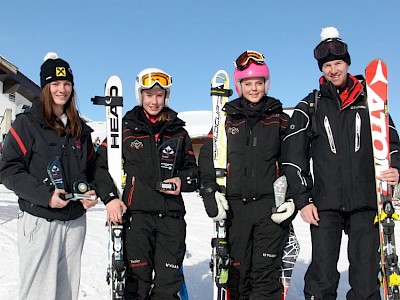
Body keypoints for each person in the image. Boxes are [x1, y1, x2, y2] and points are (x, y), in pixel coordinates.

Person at [283, 27, 400, 299]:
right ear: (321, 69)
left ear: (347, 63)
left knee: (366, 277)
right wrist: (304, 199)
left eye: (338, 63)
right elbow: (293, 155)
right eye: (327, 65)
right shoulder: (310, 105)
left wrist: (395, 167)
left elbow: (392, 143)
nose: (333, 70)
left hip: (366, 203)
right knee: (322, 276)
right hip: (325, 205)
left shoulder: (371, 100)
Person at [94, 68, 199, 300]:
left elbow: (194, 171)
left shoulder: (179, 132)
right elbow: (98, 168)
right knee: (136, 285)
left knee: (167, 285)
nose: (154, 100)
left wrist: (182, 181)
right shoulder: (124, 129)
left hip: (171, 219)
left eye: (159, 95)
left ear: (166, 97)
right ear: (140, 95)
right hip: (136, 218)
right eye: (149, 94)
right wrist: (111, 198)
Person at [198, 50, 296, 299]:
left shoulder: (280, 120)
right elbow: (208, 159)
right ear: (239, 86)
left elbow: (292, 162)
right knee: (238, 276)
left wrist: (292, 197)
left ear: (266, 84)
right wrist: (210, 191)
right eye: (248, 83)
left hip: (269, 210)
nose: (254, 88)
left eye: (259, 83)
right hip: (235, 209)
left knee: (265, 276)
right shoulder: (225, 120)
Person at [0, 52, 98, 300]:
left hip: (74, 222)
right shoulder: (27, 124)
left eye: (67, 84)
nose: (62, 89)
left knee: (66, 293)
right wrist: (46, 196)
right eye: (55, 83)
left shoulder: (80, 129)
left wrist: (91, 191)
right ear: (45, 87)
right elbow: (8, 169)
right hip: (40, 220)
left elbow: (91, 169)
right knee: (38, 293)